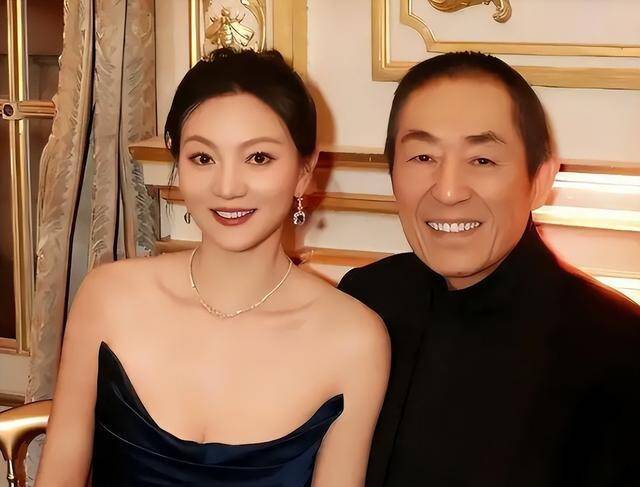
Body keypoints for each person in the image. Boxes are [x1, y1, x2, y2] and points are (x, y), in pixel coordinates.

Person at [36, 48, 390, 487]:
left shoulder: (354, 340)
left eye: (258, 158)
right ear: (178, 163)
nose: (227, 187)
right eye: (203, 158)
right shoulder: (108, 297)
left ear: (304, 171)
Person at [338, 52, 640, 487]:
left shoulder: (616, 345)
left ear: (540, 180)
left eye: (482, 160)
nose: (448, 191)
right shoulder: (366, 299)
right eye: (422, 157)